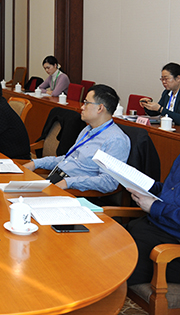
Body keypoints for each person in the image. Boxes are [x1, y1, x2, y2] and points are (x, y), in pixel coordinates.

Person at [23, 84, 131, 192]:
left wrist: (69, 183)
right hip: (58, 179)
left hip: (74, 191)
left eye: (86, 103)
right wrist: (36, 163)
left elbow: (108, 182)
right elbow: (67, 159)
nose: (82, 107)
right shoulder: (87, 130)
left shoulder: (116, 140)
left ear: (100, 108)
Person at [125, 153, 180, 285]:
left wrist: (154, 207)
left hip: (169, 247)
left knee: (107, 267)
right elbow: (171, 193)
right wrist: (147, 187)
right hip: (148, 226)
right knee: (97, 244)